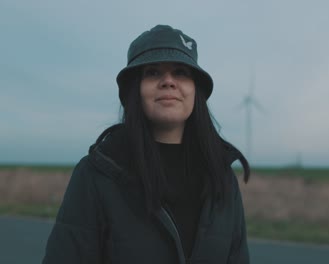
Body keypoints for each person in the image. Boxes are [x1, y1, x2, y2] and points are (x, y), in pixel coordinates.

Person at [42, 24, 250, 264]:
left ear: (196, 91)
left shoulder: (221, 178)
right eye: (152, 72)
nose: (168, 81)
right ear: (135, 90)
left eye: (181, 72)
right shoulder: (96, 175)